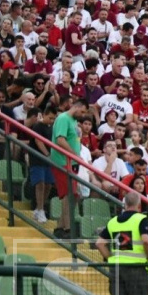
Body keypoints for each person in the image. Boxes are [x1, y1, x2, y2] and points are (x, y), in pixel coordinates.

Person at [51, 98, 89, 238]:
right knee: (68, 195)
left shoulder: (73, 121)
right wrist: (75, 156)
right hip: (62, 162)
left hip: (71, 163)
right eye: (83, 111)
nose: (83, 114)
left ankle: (60, 227)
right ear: (76, 107)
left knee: (72, 195)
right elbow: (60, 140)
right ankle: (67, 229)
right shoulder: (63, 118)